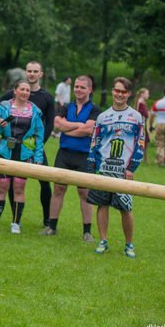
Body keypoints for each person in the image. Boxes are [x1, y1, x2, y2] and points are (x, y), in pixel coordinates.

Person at [0, 61, 55, 227]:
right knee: (5, 184)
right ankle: (3, 220)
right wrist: (1, 125)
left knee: (43, 183)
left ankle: (47, 221)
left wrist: (36, 148)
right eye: (29, 71)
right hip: (8, 148)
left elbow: (48, 125)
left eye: (35, 71)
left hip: (31, 148)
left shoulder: (45, 98)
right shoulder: (7, 101)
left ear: (41, 74)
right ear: (16, 90)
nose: (32, 74)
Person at [87, 77, 146, 258]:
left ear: (128, 94)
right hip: (103, 169)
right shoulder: (103, 117)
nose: (119, 94)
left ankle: (129, 244)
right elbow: (95, 142)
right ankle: (103, 240)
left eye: (123, 91)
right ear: (113, 91)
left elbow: (141, 143)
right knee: (102, 205)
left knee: (125, 208)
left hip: (123, 171)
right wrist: (91, 166)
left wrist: (132, 168)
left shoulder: (136, 117)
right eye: (117, 91)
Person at [0, 80, 45, 234]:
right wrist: (0, 126)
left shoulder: (35, 111)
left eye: (28, 90)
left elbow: (39, 136)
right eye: (22, 89)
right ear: (15, 91)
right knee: (2, 185)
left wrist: (38, 158)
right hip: (5, 151)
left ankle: (16, 223)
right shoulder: (4, 106)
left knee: (19, 186)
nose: (25, 93)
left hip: (24, 153)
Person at [42, 75, 100, 240]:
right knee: (59, 189)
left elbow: (89, 130)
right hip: (65, 154)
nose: (78, 90)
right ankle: (51, 227)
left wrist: (67, 129)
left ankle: (87, 232)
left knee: (84, 192)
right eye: (76, 86)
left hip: (84, 156)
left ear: (90, 89)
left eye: (82, 87)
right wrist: (77, 126)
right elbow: (57, 124)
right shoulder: (66, 106)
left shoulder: (95, 110)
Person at [134, 87, 151, 162]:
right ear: (142, 94)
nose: (148, 95)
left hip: (143, 124)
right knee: (143, 141)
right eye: (147, 94)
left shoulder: (141, 102)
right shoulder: (141, 103)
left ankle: (144, 159)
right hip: (142, 125)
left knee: (145, 141)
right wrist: (142, 126)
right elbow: (142, 115)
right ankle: (143, 158)